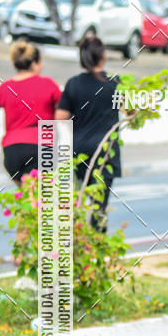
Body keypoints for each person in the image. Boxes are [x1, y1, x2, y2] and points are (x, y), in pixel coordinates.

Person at [55, 37, 121, 232]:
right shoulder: (114, 83)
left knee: (76, 201)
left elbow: (61, 116)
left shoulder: (73, 84)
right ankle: (96, 247)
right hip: (106, 152)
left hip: (79, 151)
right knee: (99, 206)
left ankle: (76, 245)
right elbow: (131, 111)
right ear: (103, 56)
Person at [0, 42, 62, 183]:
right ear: (34, 64)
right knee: (37, 200)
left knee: (26, 198)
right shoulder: (48, 84)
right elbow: (65, 107)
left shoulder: (7, 87)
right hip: (41, 147)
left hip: (12, 150)